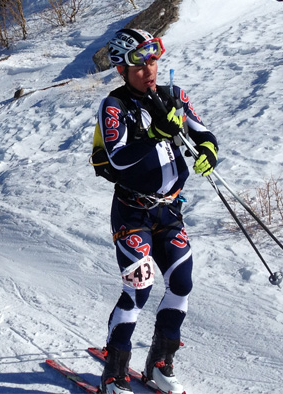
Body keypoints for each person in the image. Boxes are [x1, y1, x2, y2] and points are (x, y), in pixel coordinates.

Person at [92, 28, 218, 394]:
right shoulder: (114, 106)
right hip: (132, 212)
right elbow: (117, 155)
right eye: (139, 63)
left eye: (153, 59)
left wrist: (208, 152)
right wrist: (155, 134)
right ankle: (114, 372)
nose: (149, 69)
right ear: (121, 69)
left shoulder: (174, 96)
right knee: (139, 288)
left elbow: (204, 134)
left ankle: (159, 364)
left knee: (182, 283)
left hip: (169, 212)